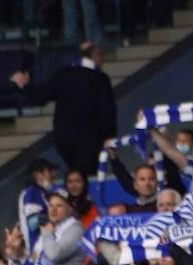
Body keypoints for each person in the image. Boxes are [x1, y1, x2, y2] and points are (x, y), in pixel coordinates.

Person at [9, 42, 116, 178]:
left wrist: (23, 86)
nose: (103, 60)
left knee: (77, 173)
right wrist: (110, 138)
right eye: (101, 55)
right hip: (90, 139)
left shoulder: (63, 74)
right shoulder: (100, 79)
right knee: (87, 178)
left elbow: (41, 97)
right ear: (95, 55)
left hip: (64, 139)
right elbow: (107, 112)